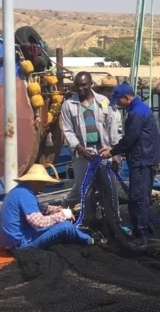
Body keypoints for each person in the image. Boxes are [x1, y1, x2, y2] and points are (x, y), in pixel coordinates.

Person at [99, 82, 160, 245]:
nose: (118, 105)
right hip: (147, 158)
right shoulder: (142, 108)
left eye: (119, 101)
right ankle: (146, 229)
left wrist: (112, 152)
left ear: (127, 98)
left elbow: (130, 139)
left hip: (141, 161)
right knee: (143, 197)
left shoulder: (135, 114)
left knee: (137, 199)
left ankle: (141, 236)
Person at [60, 72, 122, 218]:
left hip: (104, 151)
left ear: (90, 84)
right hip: (82, 154)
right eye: (77, 86)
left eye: (83, 85)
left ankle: (115, 219)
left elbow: (112, 128)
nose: (80, 89)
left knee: (110, 187)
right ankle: (88, 219)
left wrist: (115, 154)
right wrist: (80, 149)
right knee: (85, 189)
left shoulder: (103, 101)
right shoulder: (69, 105)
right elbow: (68, 131)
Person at [0, 164, 92, 251]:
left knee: (59, 224)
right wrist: (63, 215)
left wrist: (57, 209)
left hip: (11, 243)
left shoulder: (20, 191)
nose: (43, 187)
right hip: (20, 245)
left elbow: (39, 208)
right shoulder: (26, 195)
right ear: (36, 182)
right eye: (43, 183)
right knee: (65, 226)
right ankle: (89, 240)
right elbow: (39, 223)